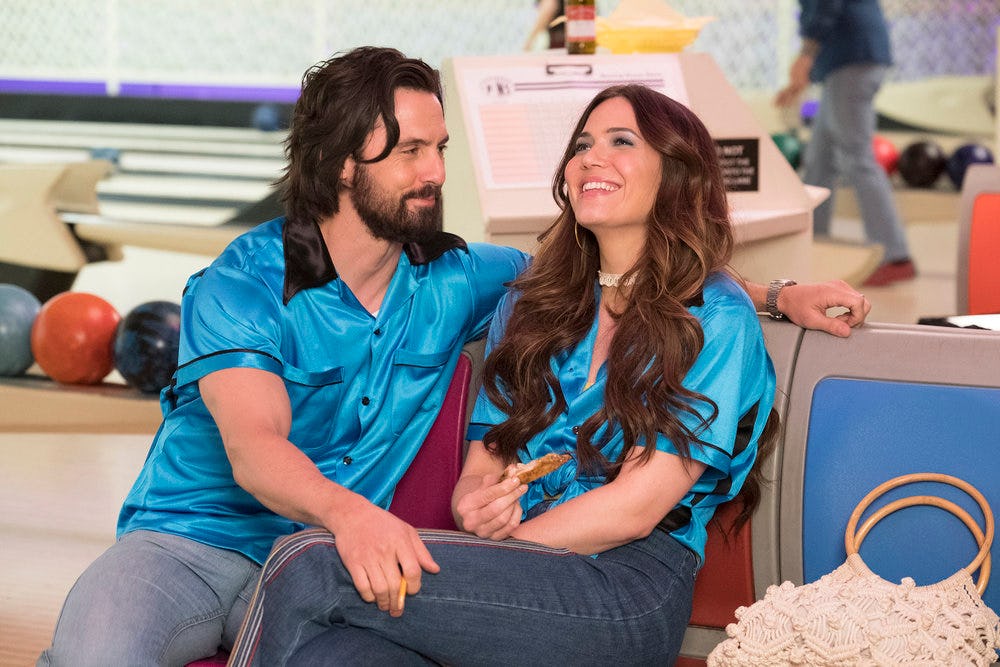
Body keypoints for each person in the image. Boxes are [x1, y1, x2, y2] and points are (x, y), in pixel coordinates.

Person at [40, 48, 867, 667]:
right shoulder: (247, 282)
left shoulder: (456, 277)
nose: (437, 172)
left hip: (456, 566)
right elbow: (259, 448)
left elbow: (654, 284)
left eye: (440, 148)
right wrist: (455, 512)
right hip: (195, 542)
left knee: (310, 574)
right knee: (95, 651)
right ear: (339, 163)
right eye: (411, 152)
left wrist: (775, 291)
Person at [225, 83, 786, 666]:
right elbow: (484, 464)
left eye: (621, 142)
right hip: (517, 571)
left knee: (310, 562)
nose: (591, 158)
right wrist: (475, 506)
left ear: (677, 173)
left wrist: (494, 552)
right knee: (335, 654)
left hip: (626, 585)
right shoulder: (530, 303)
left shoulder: (717, 317)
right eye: (582, 145)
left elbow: (636, 507)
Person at [775, 0, 915, 287]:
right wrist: (805, 69)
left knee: (857, 158)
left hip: (852, 58)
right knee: (819, 159)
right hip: (848, 59)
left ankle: (895, 256)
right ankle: (811, 245)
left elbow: (825, 5)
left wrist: (806, 56)